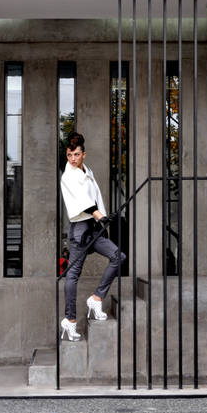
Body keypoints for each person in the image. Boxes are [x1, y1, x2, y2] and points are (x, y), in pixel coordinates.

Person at [60, 132, 126, 341]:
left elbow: (95, 197)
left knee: (118, 257)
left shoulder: (88, 172)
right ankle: (70, 321)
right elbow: (83, 202)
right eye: (69, 155)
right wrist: (101, 217)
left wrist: (104, 218)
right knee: (73, 275)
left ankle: (96, 298)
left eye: (76, 155)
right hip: (80, 229)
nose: (72, 159)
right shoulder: (68, 176)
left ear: (83, 155)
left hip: (94, 227)